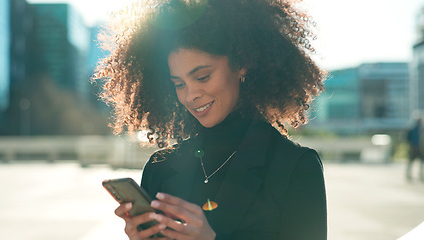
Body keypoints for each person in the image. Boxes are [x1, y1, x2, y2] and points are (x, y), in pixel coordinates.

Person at [94, 0, 327, 239]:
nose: (190, 95)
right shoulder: (159, 168)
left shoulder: (295, 166)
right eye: (179, 84)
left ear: (242, 64)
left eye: (203, 77)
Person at [406, 115, 423, 182]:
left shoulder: (420, 128)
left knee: (420, 162)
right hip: (414, 147)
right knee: (411, 161)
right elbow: (409, 138)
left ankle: (420, 175)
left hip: (419, 147)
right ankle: (409, 175)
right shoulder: (413, 128)